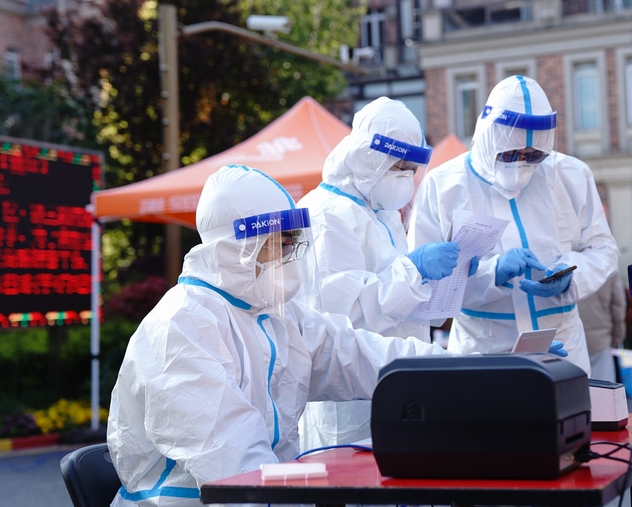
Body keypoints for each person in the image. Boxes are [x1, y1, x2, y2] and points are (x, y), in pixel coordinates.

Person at [106, 165, 452, 507]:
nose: (290, 256)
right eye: (280, 244)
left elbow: (358, 354)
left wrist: (461, 372)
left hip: (270, 493)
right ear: (238, 246)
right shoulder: (181, 326)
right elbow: (233, 461)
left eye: (292, 243)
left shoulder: (275, 316)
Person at [409, 75, 620, 376]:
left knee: (567, 407)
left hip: (562, 345)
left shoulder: (570, 175)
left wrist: (572, 276)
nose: (521, 163)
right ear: (489, 136)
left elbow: (603, 248)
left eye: (533, 156)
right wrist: (492, 274)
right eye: (510, 154)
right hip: (483, 350)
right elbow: (425, 285)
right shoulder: (443, 186)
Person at [295, 97, 470, 449]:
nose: (406, 177)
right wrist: (414, 269)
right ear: (367, 157)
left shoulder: (381, 213)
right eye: (398, 166)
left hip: (398, 386)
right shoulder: (326, 214)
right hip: (349, 408)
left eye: (411, 168)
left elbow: (399, 302)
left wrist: (449, 277)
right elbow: (341, 316)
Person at [579, 272, 626, 381]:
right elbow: (618, 306)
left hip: (572, 339)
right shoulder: (609, 267)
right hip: (600, 340)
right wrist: (617, 338)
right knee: (603, 388)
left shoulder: (564, 263)